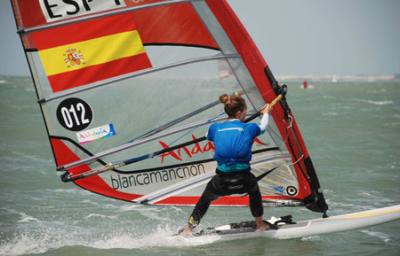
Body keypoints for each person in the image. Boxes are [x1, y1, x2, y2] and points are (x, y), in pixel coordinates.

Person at [179, 92, 273, 236]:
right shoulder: (249, 128)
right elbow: (263, 126)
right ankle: (259, 222)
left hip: (221, 183)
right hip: (244, 181)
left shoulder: (215, 128)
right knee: (254, 189)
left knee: (205, 199)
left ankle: (189, 229)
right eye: (245, 112)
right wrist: (266, 112)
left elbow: (206, 135)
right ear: (240, 112)